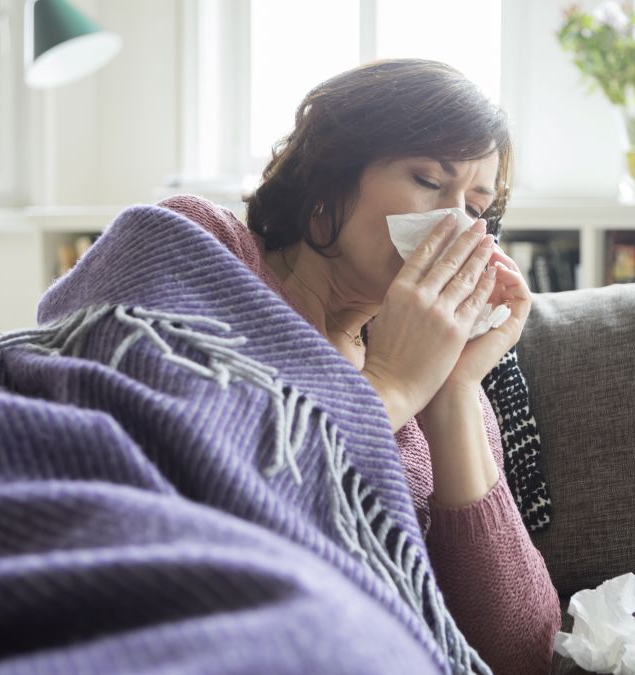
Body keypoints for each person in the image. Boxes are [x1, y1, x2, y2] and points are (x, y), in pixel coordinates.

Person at [158, 58, 560, 675]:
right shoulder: (207, 247)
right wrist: (392, 385)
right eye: (429, 179)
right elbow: (195, 499)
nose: (456, 225)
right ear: (329, 185)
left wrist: (451, 394)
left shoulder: (442, 379)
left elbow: (519, 650)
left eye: (478, 210)